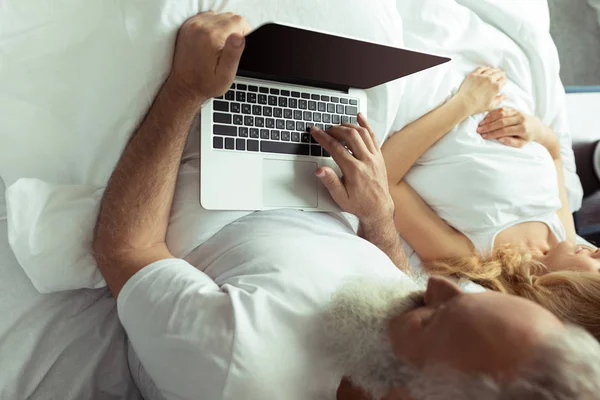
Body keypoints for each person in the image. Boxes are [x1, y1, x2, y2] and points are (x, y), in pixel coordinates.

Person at [92, 11, 600, 400]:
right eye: (479, 297)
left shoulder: (239, 362)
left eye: (431, 320)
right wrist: (378, 217)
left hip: (208, 188)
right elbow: (403, 282)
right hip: (323, 192)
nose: (442, 285)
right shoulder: (449, 315)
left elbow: (125, 249)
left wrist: (184, 90)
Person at [381, 66, 600, 340]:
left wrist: (464, 103)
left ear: (571, 298)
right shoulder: (563, 237)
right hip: (492, 87)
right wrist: (535, 130)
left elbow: (385, 178)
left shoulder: (477, 256)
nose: (598, 252)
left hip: (440, 98)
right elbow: (555, 154)